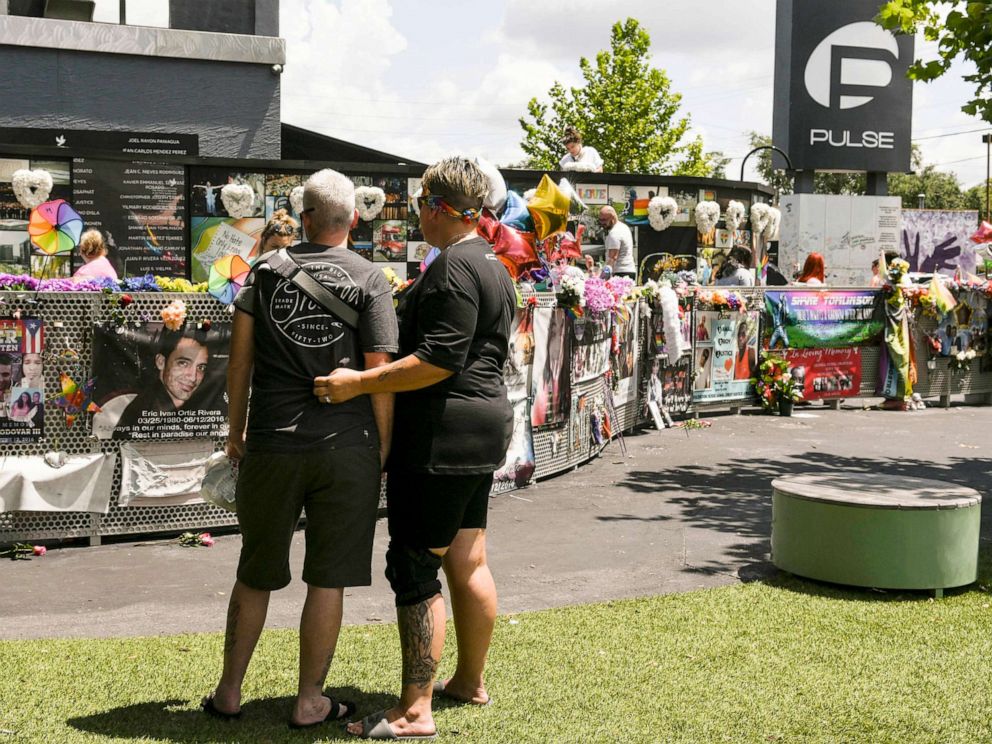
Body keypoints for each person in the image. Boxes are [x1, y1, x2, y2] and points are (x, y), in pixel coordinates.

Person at [316, 157, 515, 740]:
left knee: (414, 565)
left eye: (419, 200)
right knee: (466, 558)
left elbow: (438, 360)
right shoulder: (493, 264)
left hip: (441, 434)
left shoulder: (453, 267)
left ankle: (414, 710)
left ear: (435, 205)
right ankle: (468, 682)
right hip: (482, 428)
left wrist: (358, 382)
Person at [202, 168, 398, 728]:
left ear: (304, 216)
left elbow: (239, 363)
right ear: (354, 218)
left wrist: (235, 432)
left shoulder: (262, 273)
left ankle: (230, 691)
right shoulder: (370, 277)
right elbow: (378, 373)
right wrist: (381, 449)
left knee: (255, 570)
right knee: (328, 577)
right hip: (347, 446)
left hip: (271, 443)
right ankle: (311, 699)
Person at [113, 330, 210, 436]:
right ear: (161, 362)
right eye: (183, 363)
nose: (193, 377)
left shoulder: (190, 405)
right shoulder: (146, 412)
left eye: (201, 367)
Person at [598, 206, 636, 279]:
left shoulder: (614, 233)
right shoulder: (624, 227)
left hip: (620, 272)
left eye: (604, 220)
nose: (602, 223)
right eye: (600, 220)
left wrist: (602, 277)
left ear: (612, 218)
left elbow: (612, 258)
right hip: (629, 270)